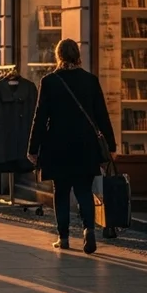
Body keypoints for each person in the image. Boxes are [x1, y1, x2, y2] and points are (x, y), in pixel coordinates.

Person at [27, 39, 116, 254]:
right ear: (77, 55)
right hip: (86, 146)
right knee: (84, 189)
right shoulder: (90, 81)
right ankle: (88, 230)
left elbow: (40, 118)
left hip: (57, 145)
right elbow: (102, 115)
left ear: (58, 56)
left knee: (61, 192)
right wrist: (111, 146)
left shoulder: (49, 81)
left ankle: (63, 237)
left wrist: (32, 148)